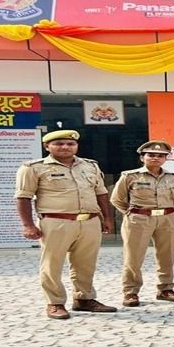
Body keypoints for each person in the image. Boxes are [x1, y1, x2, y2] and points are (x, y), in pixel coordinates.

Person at [15, 130, 117, 319]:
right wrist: (28, 225)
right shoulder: (33, 168)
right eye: (59, 143)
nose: (65, 147)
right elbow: (23, 197)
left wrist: (108, 218)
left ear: (76, 146)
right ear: (47, 146)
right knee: (52, 264)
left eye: (70, 144)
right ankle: (55, 303)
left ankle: (84, 299)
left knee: (86, 264)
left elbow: (101, 193)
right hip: (55, 222)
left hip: (89, 221)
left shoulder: (90, 166)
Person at [110, 140, 174, 307]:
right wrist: (130, 212)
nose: (156, 158)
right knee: (134, 257)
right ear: (142, 157)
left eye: (161, 155)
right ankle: (131, 292)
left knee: (167, 256)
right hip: (139, 219)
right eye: (151, 155)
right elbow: (116, 199)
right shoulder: (130, 176)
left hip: (167, 217)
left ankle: (166, 289)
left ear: (165, 159)